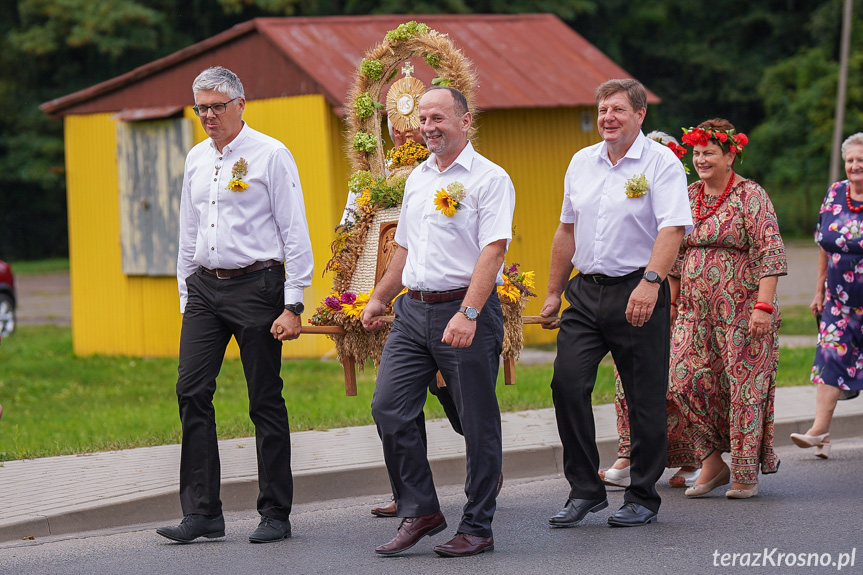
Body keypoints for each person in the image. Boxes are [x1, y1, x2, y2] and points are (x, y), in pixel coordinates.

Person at [156, 66, 313, 544]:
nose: (207, 115)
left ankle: (275, 512)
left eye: (216, 106)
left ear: (240, 105)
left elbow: (294, 231)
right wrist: (187, 294)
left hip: (258, 286)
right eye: (201, 107)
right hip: (205, 287)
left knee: (263, 397)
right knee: (191, 390)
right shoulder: (197, 158)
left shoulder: (271, 154)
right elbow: (189, 230)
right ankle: (203, 512)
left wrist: (294, 303)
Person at [361, 86, 515, 557]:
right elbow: (403, 247)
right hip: (412, 310)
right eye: (422, 118)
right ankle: (421, 509)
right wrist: (379, 298)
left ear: (465, 122)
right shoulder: (418, 179)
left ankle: (478, 526)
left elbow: (494, 250)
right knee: (389, 406)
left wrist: (469, 312)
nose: (427, 126)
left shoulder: (490, 179)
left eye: (438, 118)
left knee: (477, 419)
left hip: (463, 310)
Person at [540, 79, 692, 528]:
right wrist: (553, 291)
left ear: (640, 115)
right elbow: (566, 229)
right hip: (585, 292)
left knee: (644, 398)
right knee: (567, 385)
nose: (608, 117)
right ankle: (586, 489)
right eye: (603, 109)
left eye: (618, 110)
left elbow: (673, 230)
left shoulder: (661, 163)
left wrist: (650, 283)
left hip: (638, 288)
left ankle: (643, 496)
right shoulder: (581, 162)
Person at [670, 119, 786, 500]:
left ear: (730, 154)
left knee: (743, 390)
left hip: (743, 310)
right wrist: (670, 304)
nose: (700, 159)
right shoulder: (687, 195)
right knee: (682, 379)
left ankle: (744, 473)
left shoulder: (750, 195)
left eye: (709, 153)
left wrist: (763, 307)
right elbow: (673, 254)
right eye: (697, 153)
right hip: (692, 311)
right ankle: (711, 458)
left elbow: (770, 250)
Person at [599, 131, 701, 490]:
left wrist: (670, 295)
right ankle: (629, 454)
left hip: (683, 301)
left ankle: (691, 456)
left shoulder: (685, 198)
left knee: (675, 384)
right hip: (642, 292)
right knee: (627, 384)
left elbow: (678, 245)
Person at [792, 132, 863, 458]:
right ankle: (819, 430)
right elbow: (824, 244)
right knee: (830, 359)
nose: (854, 165)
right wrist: (819, 290)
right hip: (838, 300)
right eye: (850, 160)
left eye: (861, 160)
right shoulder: (835, 193)